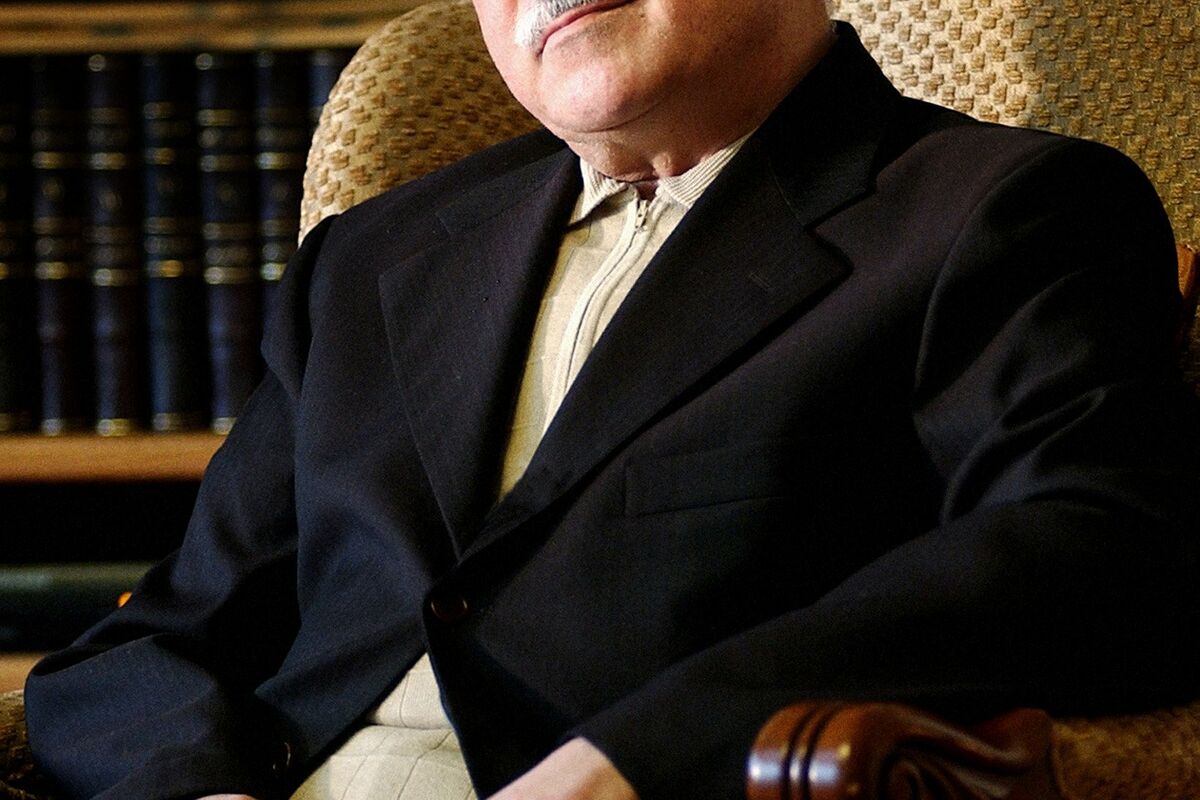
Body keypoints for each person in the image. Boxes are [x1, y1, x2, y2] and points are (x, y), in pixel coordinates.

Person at [23, 0, 1200, 798]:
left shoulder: (1000, 210)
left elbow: (1092, 549)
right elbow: (151, 641)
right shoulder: (372, 260)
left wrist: (641, 757)